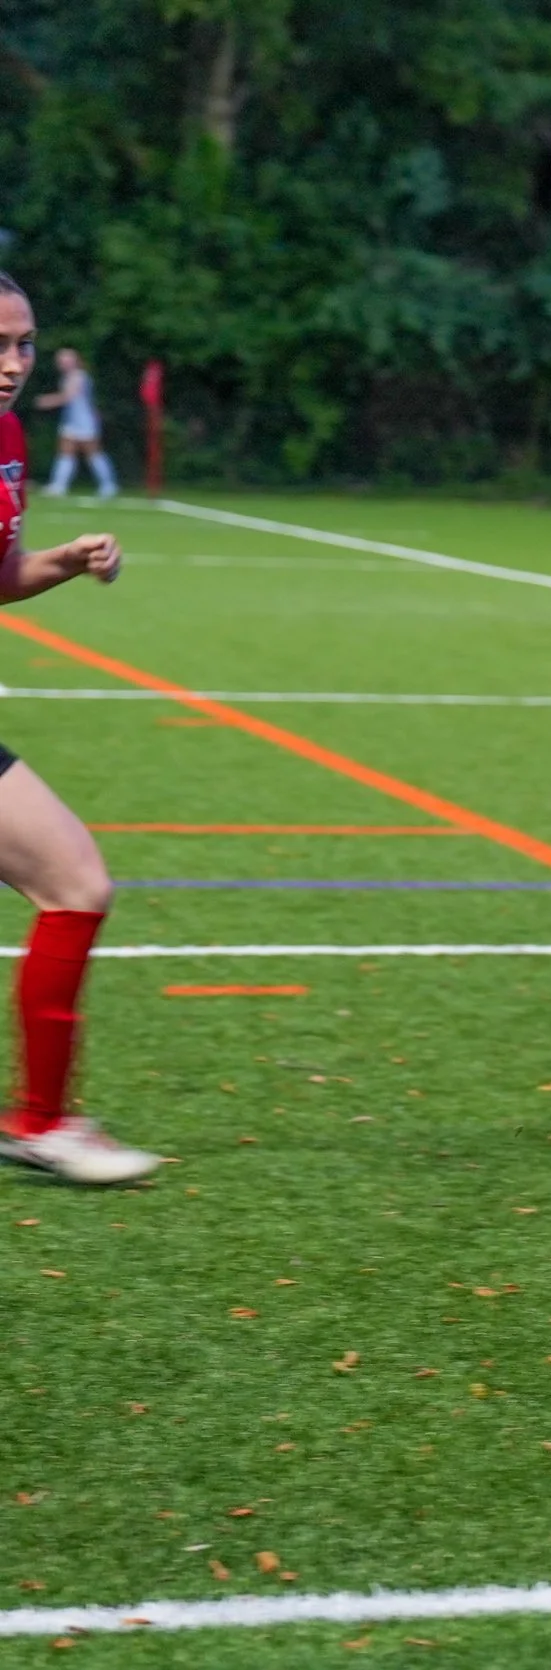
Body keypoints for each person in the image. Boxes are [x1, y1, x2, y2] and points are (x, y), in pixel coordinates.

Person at [0, 273, 157, 1184]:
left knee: (76, 883)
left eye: (23, 343)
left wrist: (58, 561)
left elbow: (0, 571)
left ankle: (41, 1121)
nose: (13, 363)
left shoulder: (11, 436)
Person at [36, 347, 116, 500]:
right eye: (61, 361)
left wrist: (47, 401)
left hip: (84, 421)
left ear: (74, 361)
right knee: (65, 453)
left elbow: (69, 396)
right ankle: (59, 485)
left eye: (66, 361)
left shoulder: (79, 376)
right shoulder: (66, 377)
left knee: (93, 453)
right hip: (70, 421)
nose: (63, 364)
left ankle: (108, 485)